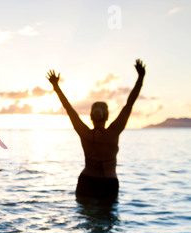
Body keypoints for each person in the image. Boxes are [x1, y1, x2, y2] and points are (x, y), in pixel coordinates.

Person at [47, 59, 146, 202]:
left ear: (91, 116)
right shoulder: (113, 132)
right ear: (107, 116)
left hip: (87, 182)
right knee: (106, 221)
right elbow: (129, 104)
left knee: (86, 220)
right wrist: (140, 78)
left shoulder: (84, 132)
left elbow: (69, 108)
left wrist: (56, 86)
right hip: (108, 184)